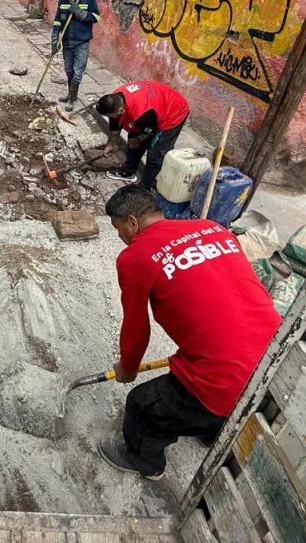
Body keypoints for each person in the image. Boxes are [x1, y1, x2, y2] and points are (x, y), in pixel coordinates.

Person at [98, 185, 280, 479]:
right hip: (277, 357)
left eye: (118, 228)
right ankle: (214, 431)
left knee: (142, 406)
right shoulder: (211, 228)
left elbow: (136, 326)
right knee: (224, 393)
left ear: (132, 222)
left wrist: (128, 367)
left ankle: (145, 462)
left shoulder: (135, 257)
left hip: (224, 380)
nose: (120, 237)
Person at [97, 80, 189, 190]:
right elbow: (115, 124)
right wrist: (110, 144)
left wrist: (139, 138)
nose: (110, 117)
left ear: (121, 110)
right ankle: (128, 172)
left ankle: (144, 187)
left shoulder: (141, 112)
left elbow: (149, 129)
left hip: (172, 113)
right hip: (153, 105)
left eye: (110, 115)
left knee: (155, 153)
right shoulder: (114, 100)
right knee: (133, 141)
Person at [51, 0, 100, 111]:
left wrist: (79, 12)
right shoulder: (63, 1)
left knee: (78, 71)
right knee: (68, 70)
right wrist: (55, 38)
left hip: (81, 41)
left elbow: (96, 17)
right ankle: (71, 94)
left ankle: (71, 98)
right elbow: (57, 21)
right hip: (67, 41)